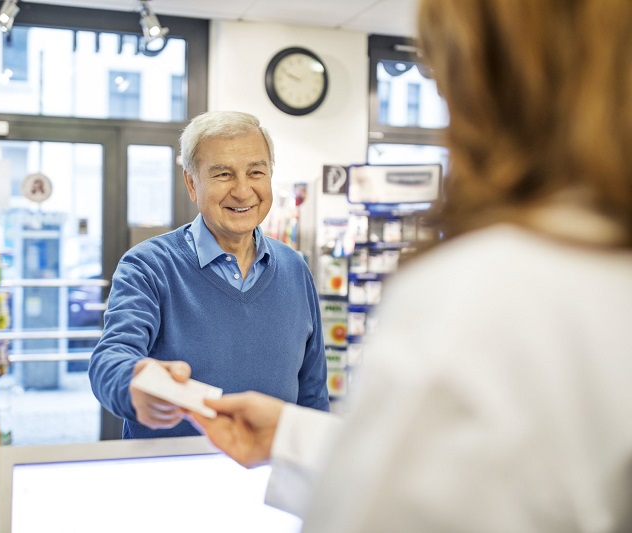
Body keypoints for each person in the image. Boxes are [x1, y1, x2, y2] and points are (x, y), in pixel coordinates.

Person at [189, 0, 632, 531]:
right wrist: (295, 436)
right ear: (192, 184)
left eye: (439, 68)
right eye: (222, 175)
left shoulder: (481, 290)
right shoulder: (596, 270)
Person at [88, 110, 329, 439]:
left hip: (267, 479)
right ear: (191, 182)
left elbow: (313, 396)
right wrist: (134, 381)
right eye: (224, 175)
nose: (243, 191)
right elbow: (110, 357)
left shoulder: (294, 269)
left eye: (256, 172)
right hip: (172, 479)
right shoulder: (148, 266)